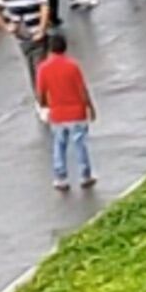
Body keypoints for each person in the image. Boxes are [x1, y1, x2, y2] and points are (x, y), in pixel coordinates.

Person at [36, 34, 97, 192]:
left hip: (57, 113)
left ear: (50, 48)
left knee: (59, 145)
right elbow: (82, 90)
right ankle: (85, 175)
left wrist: (44, 106)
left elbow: (41, 93)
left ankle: (61, 177)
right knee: (80, 144)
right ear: (65, 47)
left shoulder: (43, 68)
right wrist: (90, 107)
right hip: (76, 112)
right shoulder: (72, 66)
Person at [0, 0, 52, 98]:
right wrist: (42, 28)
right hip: (36, 32)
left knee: (30, 63)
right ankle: (43, 97)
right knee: (40, 64)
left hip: (20, 34)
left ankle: (38, 95)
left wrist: (6, 26)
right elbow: (45, 8)